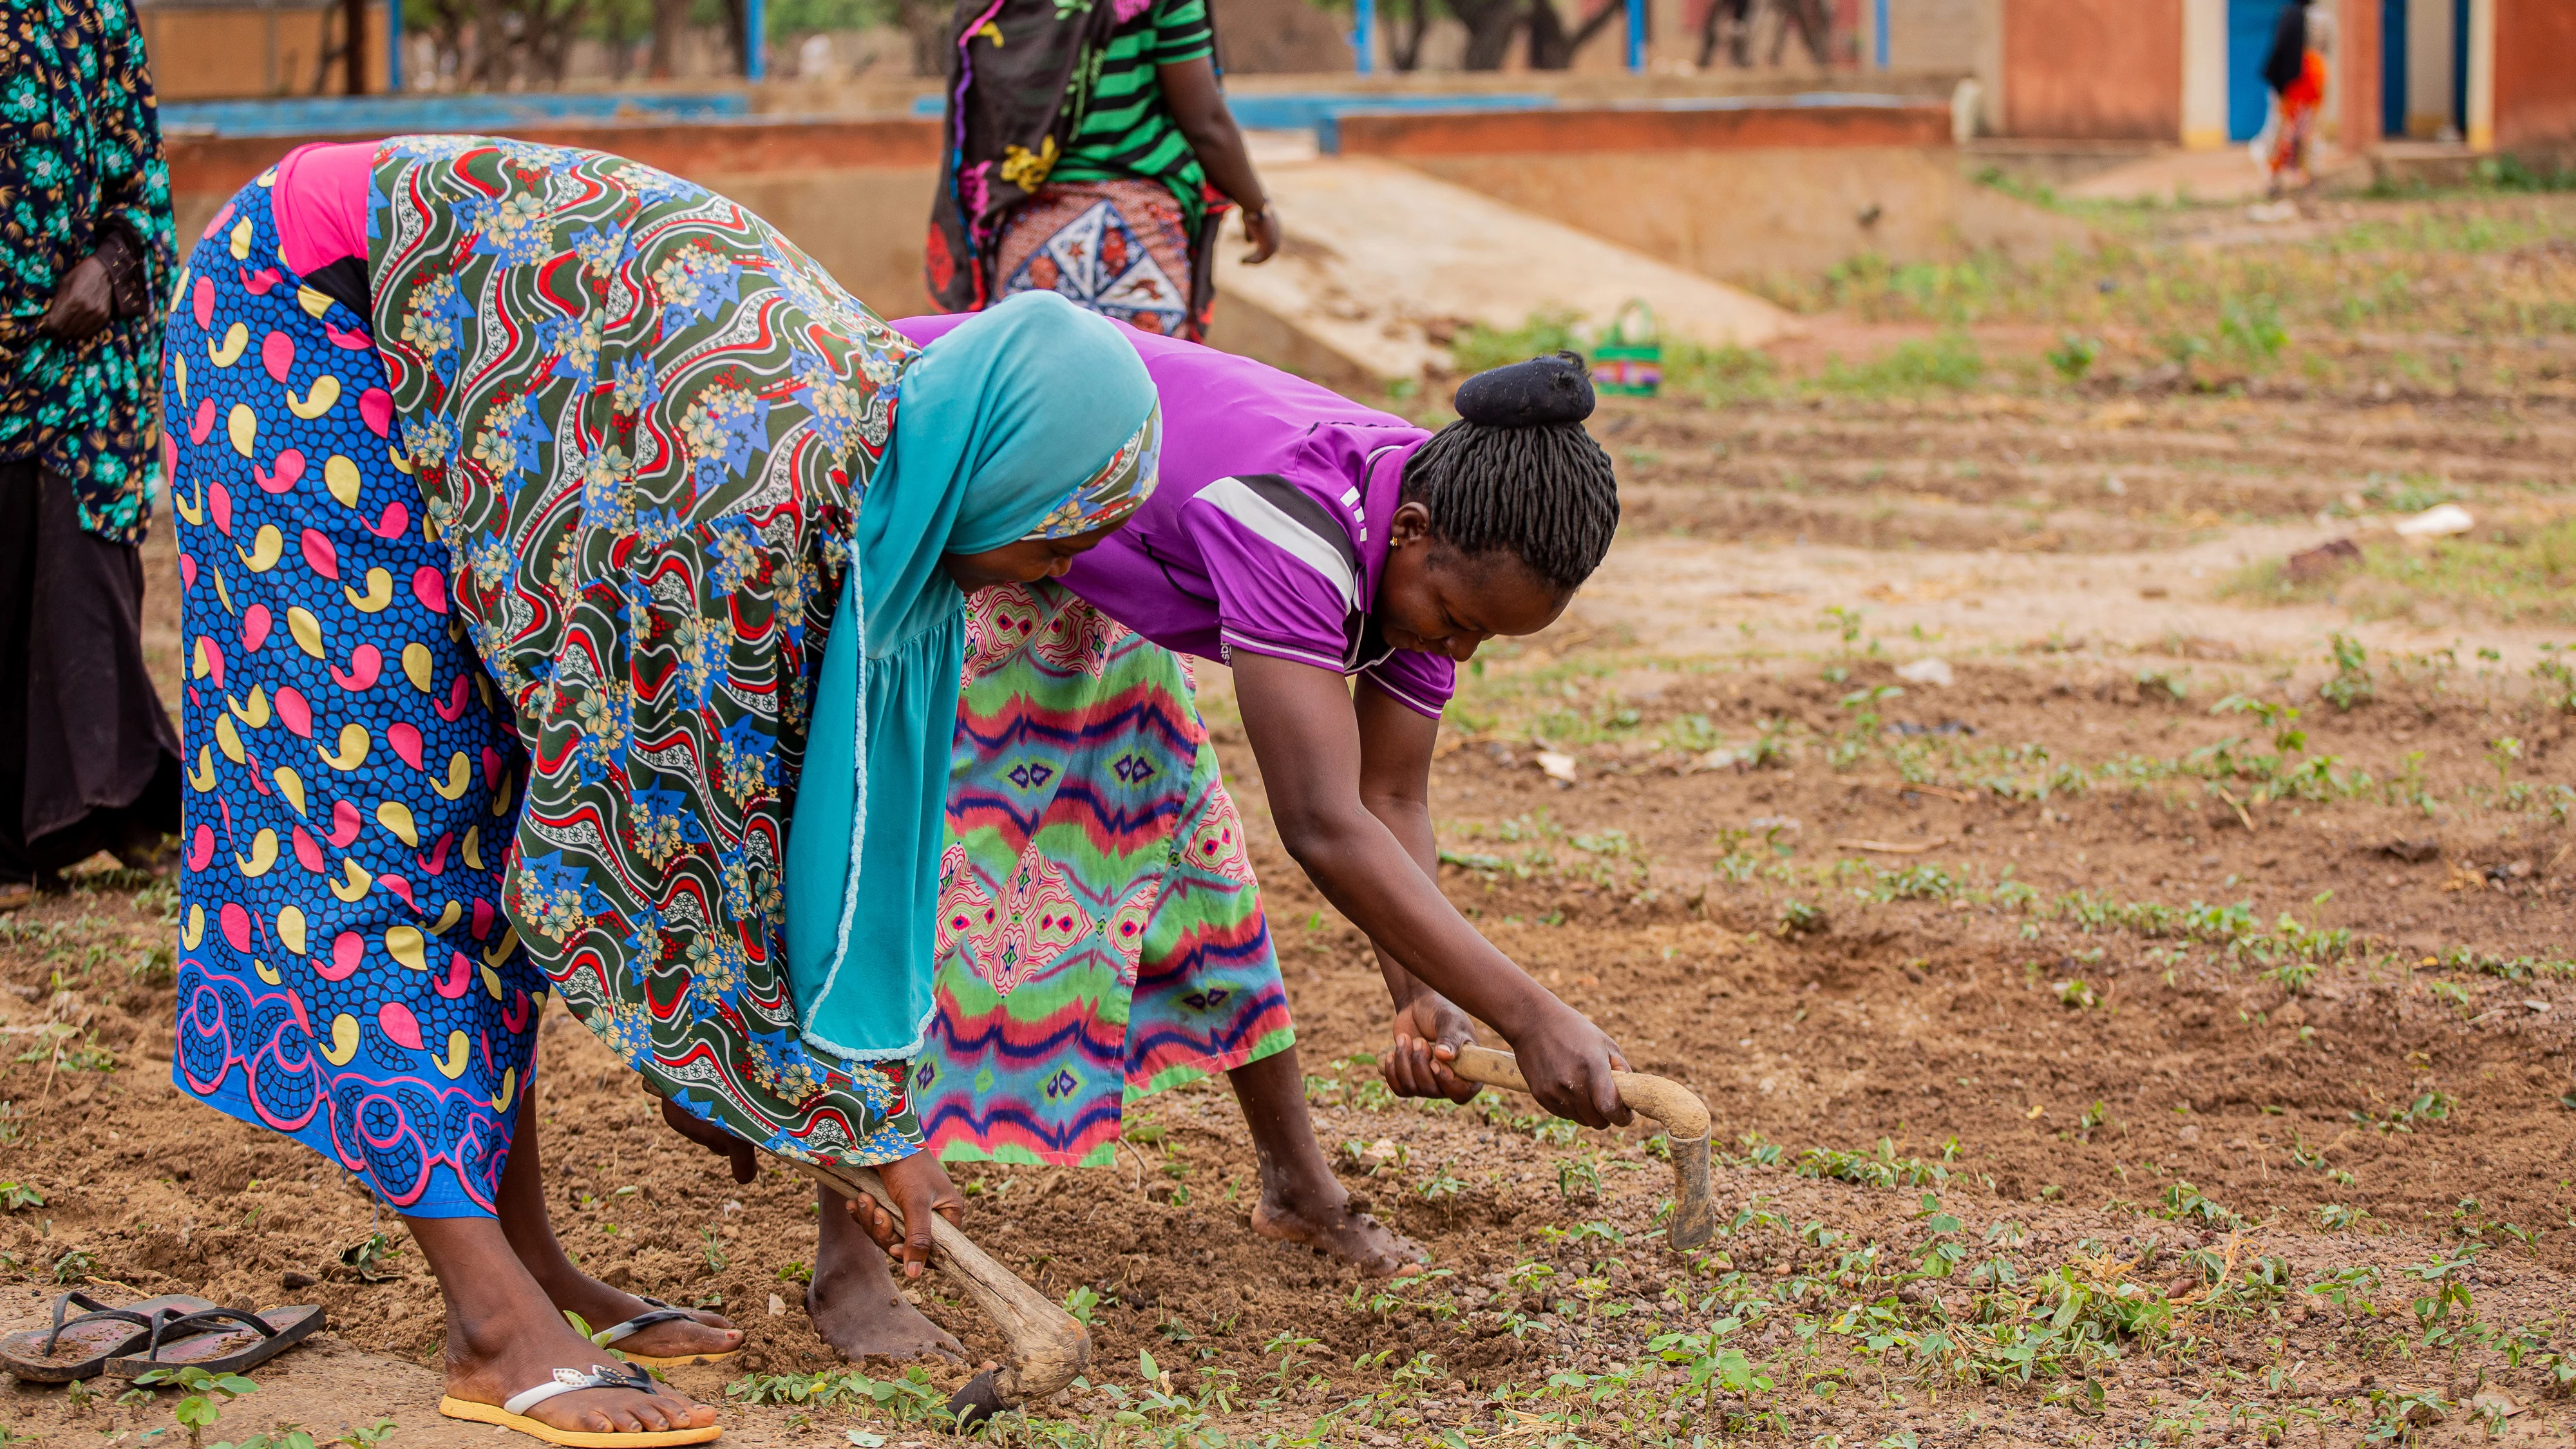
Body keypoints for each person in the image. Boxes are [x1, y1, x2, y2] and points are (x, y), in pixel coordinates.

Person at [164, 134, 1159, 1443]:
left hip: (428, 354)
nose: (1048, 577)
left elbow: (786, 800)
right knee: (388, 823)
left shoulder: (888, 449)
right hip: (305, 328)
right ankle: (492, 1324)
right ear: (999, 468)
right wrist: (770, 1080)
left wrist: (845, 1096)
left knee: (482, 794)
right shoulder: (761, 492)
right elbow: (662, 811)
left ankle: (529, 1267)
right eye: (1052, 537)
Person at [733, 318, 1633, 1359]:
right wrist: (1529, 1015)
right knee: (928, 865)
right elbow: (1323, 825)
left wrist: (1422, 996)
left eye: (1481, 638)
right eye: (1456, 620)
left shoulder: (1433, 550)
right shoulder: (1297, 522)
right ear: (1418, 531)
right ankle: (853, 1266)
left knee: (1180, 838)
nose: (1458, 648)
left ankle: (1297, 1181)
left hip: (1087, 564)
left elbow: (1387, 800)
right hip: (959, 491)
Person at [0, 0, 182, 911]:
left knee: (81, 581)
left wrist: (112, 267)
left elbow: (142, 189)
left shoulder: (90, 13)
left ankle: (122, 808)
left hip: (72, 358)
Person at [923, 0, 1279, 343]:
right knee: (1150, 396)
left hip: (1030, 245)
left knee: (1032, 397)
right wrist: (1256, 208)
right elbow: (1206, 123)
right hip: (1141, 243)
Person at [2261, 2, 2329, 196]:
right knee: (2304, 132)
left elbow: (2282, 50)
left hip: (2298, 86)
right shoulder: (2318, 19)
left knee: (2286, 132)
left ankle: (2281, 180)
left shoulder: (2292, 16)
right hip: (2308, 83)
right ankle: (2306, 179)